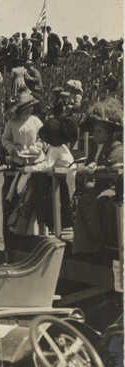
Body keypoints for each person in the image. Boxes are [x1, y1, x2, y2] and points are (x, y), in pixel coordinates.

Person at [73, 99, 124, 257]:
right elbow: (89, 164)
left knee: (99, 202)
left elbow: (111, 166)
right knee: (82, 202)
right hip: (98, 185)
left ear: (108, 133)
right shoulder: (93, 146)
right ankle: (85, 245)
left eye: (100, 131)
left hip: (112, 186)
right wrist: (87, 169)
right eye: (94, 131)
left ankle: (100, 244)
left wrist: (95, 169)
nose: (95, 134)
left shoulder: (116, 146)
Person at [1, 91, 44, 167]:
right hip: (17, 161)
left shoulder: (36, 121)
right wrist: (14, 149)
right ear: (19, 109)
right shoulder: (11, 123)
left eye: (30, 107)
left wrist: (33, 150)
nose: (29, 110)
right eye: (25, 108)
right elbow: (5, 139)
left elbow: (43, 138)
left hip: (36, 160)